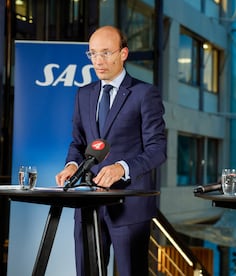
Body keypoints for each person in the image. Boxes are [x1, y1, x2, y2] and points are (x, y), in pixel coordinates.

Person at [55, 25, 167, 275]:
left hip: (130, 207)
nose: (98, 61)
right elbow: (78, 142)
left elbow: (158, 149)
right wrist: (72, 165)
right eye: (93, 54)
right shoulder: (84, 94)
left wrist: (122, 168)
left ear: (123, 53)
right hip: (87, 205)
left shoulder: (144, 94)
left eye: (106, 52)